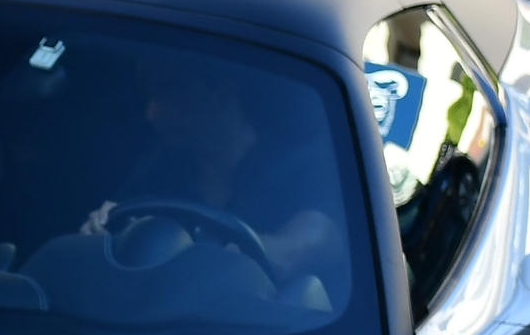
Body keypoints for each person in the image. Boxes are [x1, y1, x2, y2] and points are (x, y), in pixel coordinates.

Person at [82, 53, 345, 298]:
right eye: (149, 94)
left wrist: (211, 250)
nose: (151, 113)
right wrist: (103, 232)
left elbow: (313, 241)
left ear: (223, 92)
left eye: (172, 91)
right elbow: (117, 251)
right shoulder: (156, 173)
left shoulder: (299, 169)